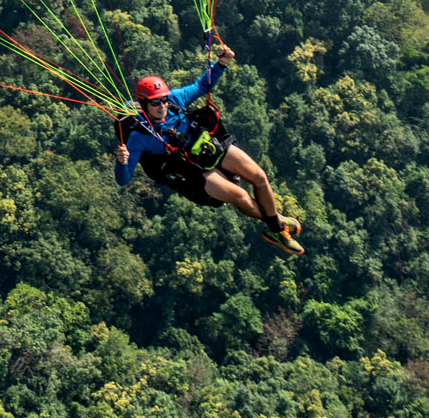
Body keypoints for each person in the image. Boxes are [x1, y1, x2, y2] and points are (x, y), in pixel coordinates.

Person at [114, 37, 304, 255]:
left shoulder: (175, 101)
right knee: (240, 196)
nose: (162, 105)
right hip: (191, 169)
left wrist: (221, 63)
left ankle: (275, 223)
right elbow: (123, 179)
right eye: (156, 102)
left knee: (259, 176)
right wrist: (122, 162)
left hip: (207, 145)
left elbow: (200, 86)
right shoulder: (138, 136)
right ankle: (276, 228)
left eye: (164, 99)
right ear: (145, 103)